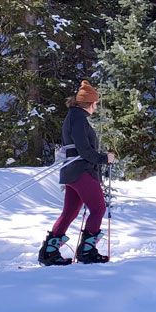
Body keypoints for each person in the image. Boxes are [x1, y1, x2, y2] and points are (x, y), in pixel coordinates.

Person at [39, 80, 117, 266]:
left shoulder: (74, 116)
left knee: (70, 212)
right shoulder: (79, 118)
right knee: (98, 209)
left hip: (72, 172)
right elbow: (84, 150)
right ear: (89, 103)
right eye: (96, 103)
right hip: (81, 171)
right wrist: (104, 158)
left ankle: (49, 252)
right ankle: (87, 252)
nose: (96, 107)